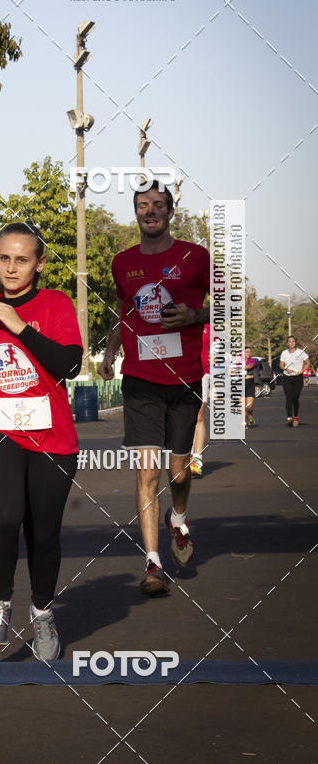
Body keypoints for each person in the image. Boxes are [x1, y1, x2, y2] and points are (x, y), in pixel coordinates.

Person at [0, 222, 82, 662]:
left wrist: (18, 325)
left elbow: (68, 364)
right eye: (4, 258)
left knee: (44, 534)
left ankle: (43, 613)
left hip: (52, 435)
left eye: (22, 259)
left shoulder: (55, 303)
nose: (11, 268)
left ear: (39, 263)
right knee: (4, 516)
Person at [99, 181, 210, 596]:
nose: (151, 211)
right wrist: (110, 353)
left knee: (178, 474)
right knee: (147, 472)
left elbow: (228, 303)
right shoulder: (122, 262)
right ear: (135, 212)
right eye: (143, 205)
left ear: (170, 212)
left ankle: (178, 518)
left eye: (158, 205)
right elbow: (123, 311)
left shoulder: (195, 257)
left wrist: (194, 315)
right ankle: (152, 563)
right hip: (141, 381)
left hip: (184, 379)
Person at [190, 323, 212, 477]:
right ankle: (185, 454)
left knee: (198, 416)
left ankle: (197, 459)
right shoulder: (174, 318)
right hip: (177, 375)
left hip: (202, 373)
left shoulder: (209, 326)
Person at [279, 335, 310, 427]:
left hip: (298, 378)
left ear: (295, 342)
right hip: (287, 378)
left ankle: (295, 416)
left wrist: (301, 371)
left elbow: (308, 363)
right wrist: (285, 368)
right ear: (287, 343)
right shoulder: (284, 353)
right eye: (289, 342)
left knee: (295, 398)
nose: (291, 343)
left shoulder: (301, 352)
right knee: (289, 397)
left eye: (293, 341)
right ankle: (289, 417)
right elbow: (281, 365)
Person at [244, 347, 257, 428]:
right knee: (242, 406)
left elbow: (250, 366)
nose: (248, 353)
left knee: (249, 406)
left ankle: (250, 415)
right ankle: (244, 422)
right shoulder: (238, 361)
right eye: (246, 352)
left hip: (250, 383)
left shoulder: (252, 360)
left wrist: (239, 367)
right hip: (240, 383)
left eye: (249, 352)